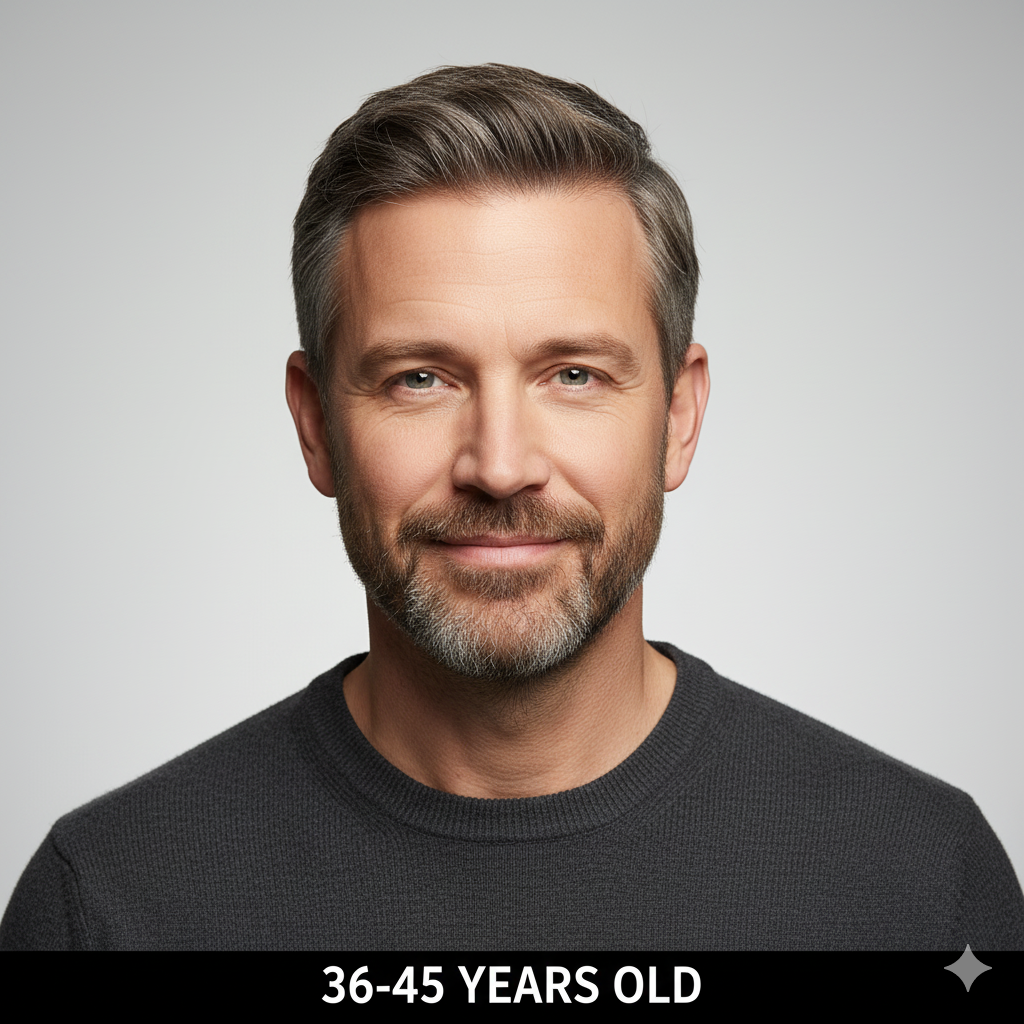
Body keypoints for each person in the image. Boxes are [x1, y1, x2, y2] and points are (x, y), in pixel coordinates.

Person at [2, 64, 1021, 952]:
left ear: (678, 414)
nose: (498, 466)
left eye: (572, 373)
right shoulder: (108, 904)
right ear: (315, 425)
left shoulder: (919, 885)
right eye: (419, 379)